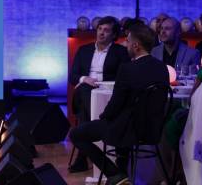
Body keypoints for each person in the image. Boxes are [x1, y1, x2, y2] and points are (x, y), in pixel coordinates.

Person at [69, 20, 169, 185]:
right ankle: (122, 171)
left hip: (128, 130)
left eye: (128, 41)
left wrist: (103, 116)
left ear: (136, 46)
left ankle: (114, 173)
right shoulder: (162, 68)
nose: (125, 44)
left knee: (76, 134)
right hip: (153, 129)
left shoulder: (127, 69)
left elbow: (115, 105)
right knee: (121, 120)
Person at [69, 16, 130, 173]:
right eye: (100, 29)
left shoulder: (121, 52)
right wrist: (85, 79)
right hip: (86, 90)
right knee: (84, 90)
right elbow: (73, 76)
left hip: (109, 92)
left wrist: (102, 82)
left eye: (106, 30)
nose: (101, 33)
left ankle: (83, 155)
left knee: (83, 111)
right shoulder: (83, 50)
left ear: (114, 35)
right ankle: (100, 123)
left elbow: (123, 77)